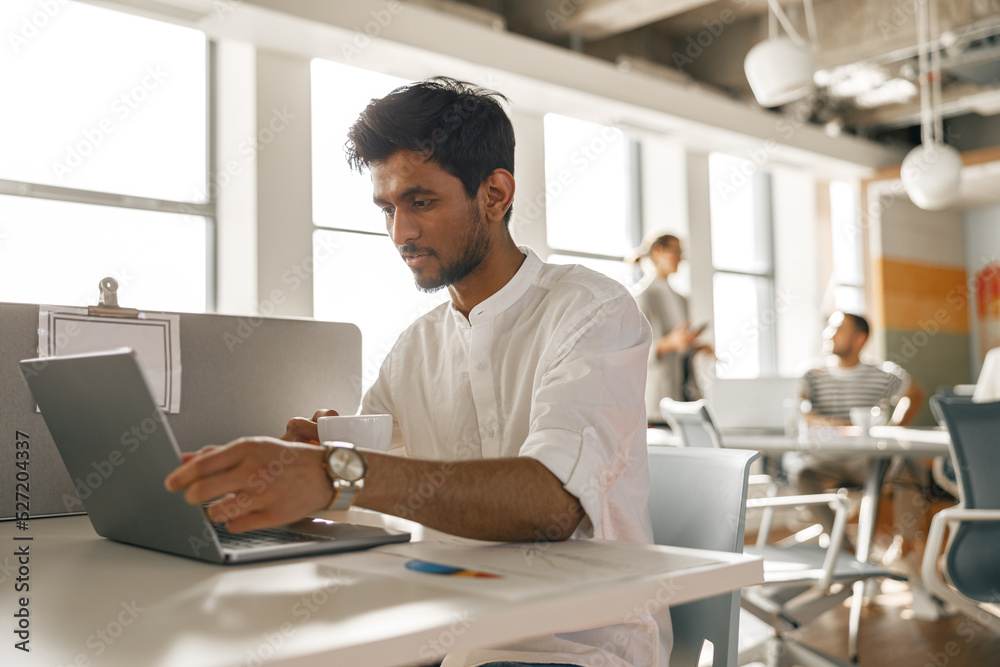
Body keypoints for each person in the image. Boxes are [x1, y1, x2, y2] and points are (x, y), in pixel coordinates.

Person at [164, 77, 666, 667]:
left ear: (496, 195)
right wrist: (311, 465)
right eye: (387, 209)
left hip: (575, 644)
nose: (400, 233)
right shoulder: (417, 344)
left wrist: (337, 471)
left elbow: (551, 504)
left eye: (420, 202)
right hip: (445, 626)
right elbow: (374, 480)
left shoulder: (591, 311)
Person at [789, 311, 924, 545]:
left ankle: (907, 547)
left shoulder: (882, 374)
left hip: (866, 458)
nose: (828, 334)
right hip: (826, 457)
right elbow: (798, 409)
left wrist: (894, 427)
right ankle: (843, 547)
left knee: (909, 462)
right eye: (829, 328)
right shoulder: (811, 374)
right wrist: (828, 423)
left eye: (838, 329)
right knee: (803, 475)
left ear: (859, 339)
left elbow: (914, 394)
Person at [631, 233, 706, 424]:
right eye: (676, 251)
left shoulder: (682, 299)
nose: (681, 258)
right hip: (656, 399)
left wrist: (694, 346)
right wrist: (669, 343)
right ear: (658, 251)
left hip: (684, 393)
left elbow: (680, 349)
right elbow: (632, 351)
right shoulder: (642, 297)